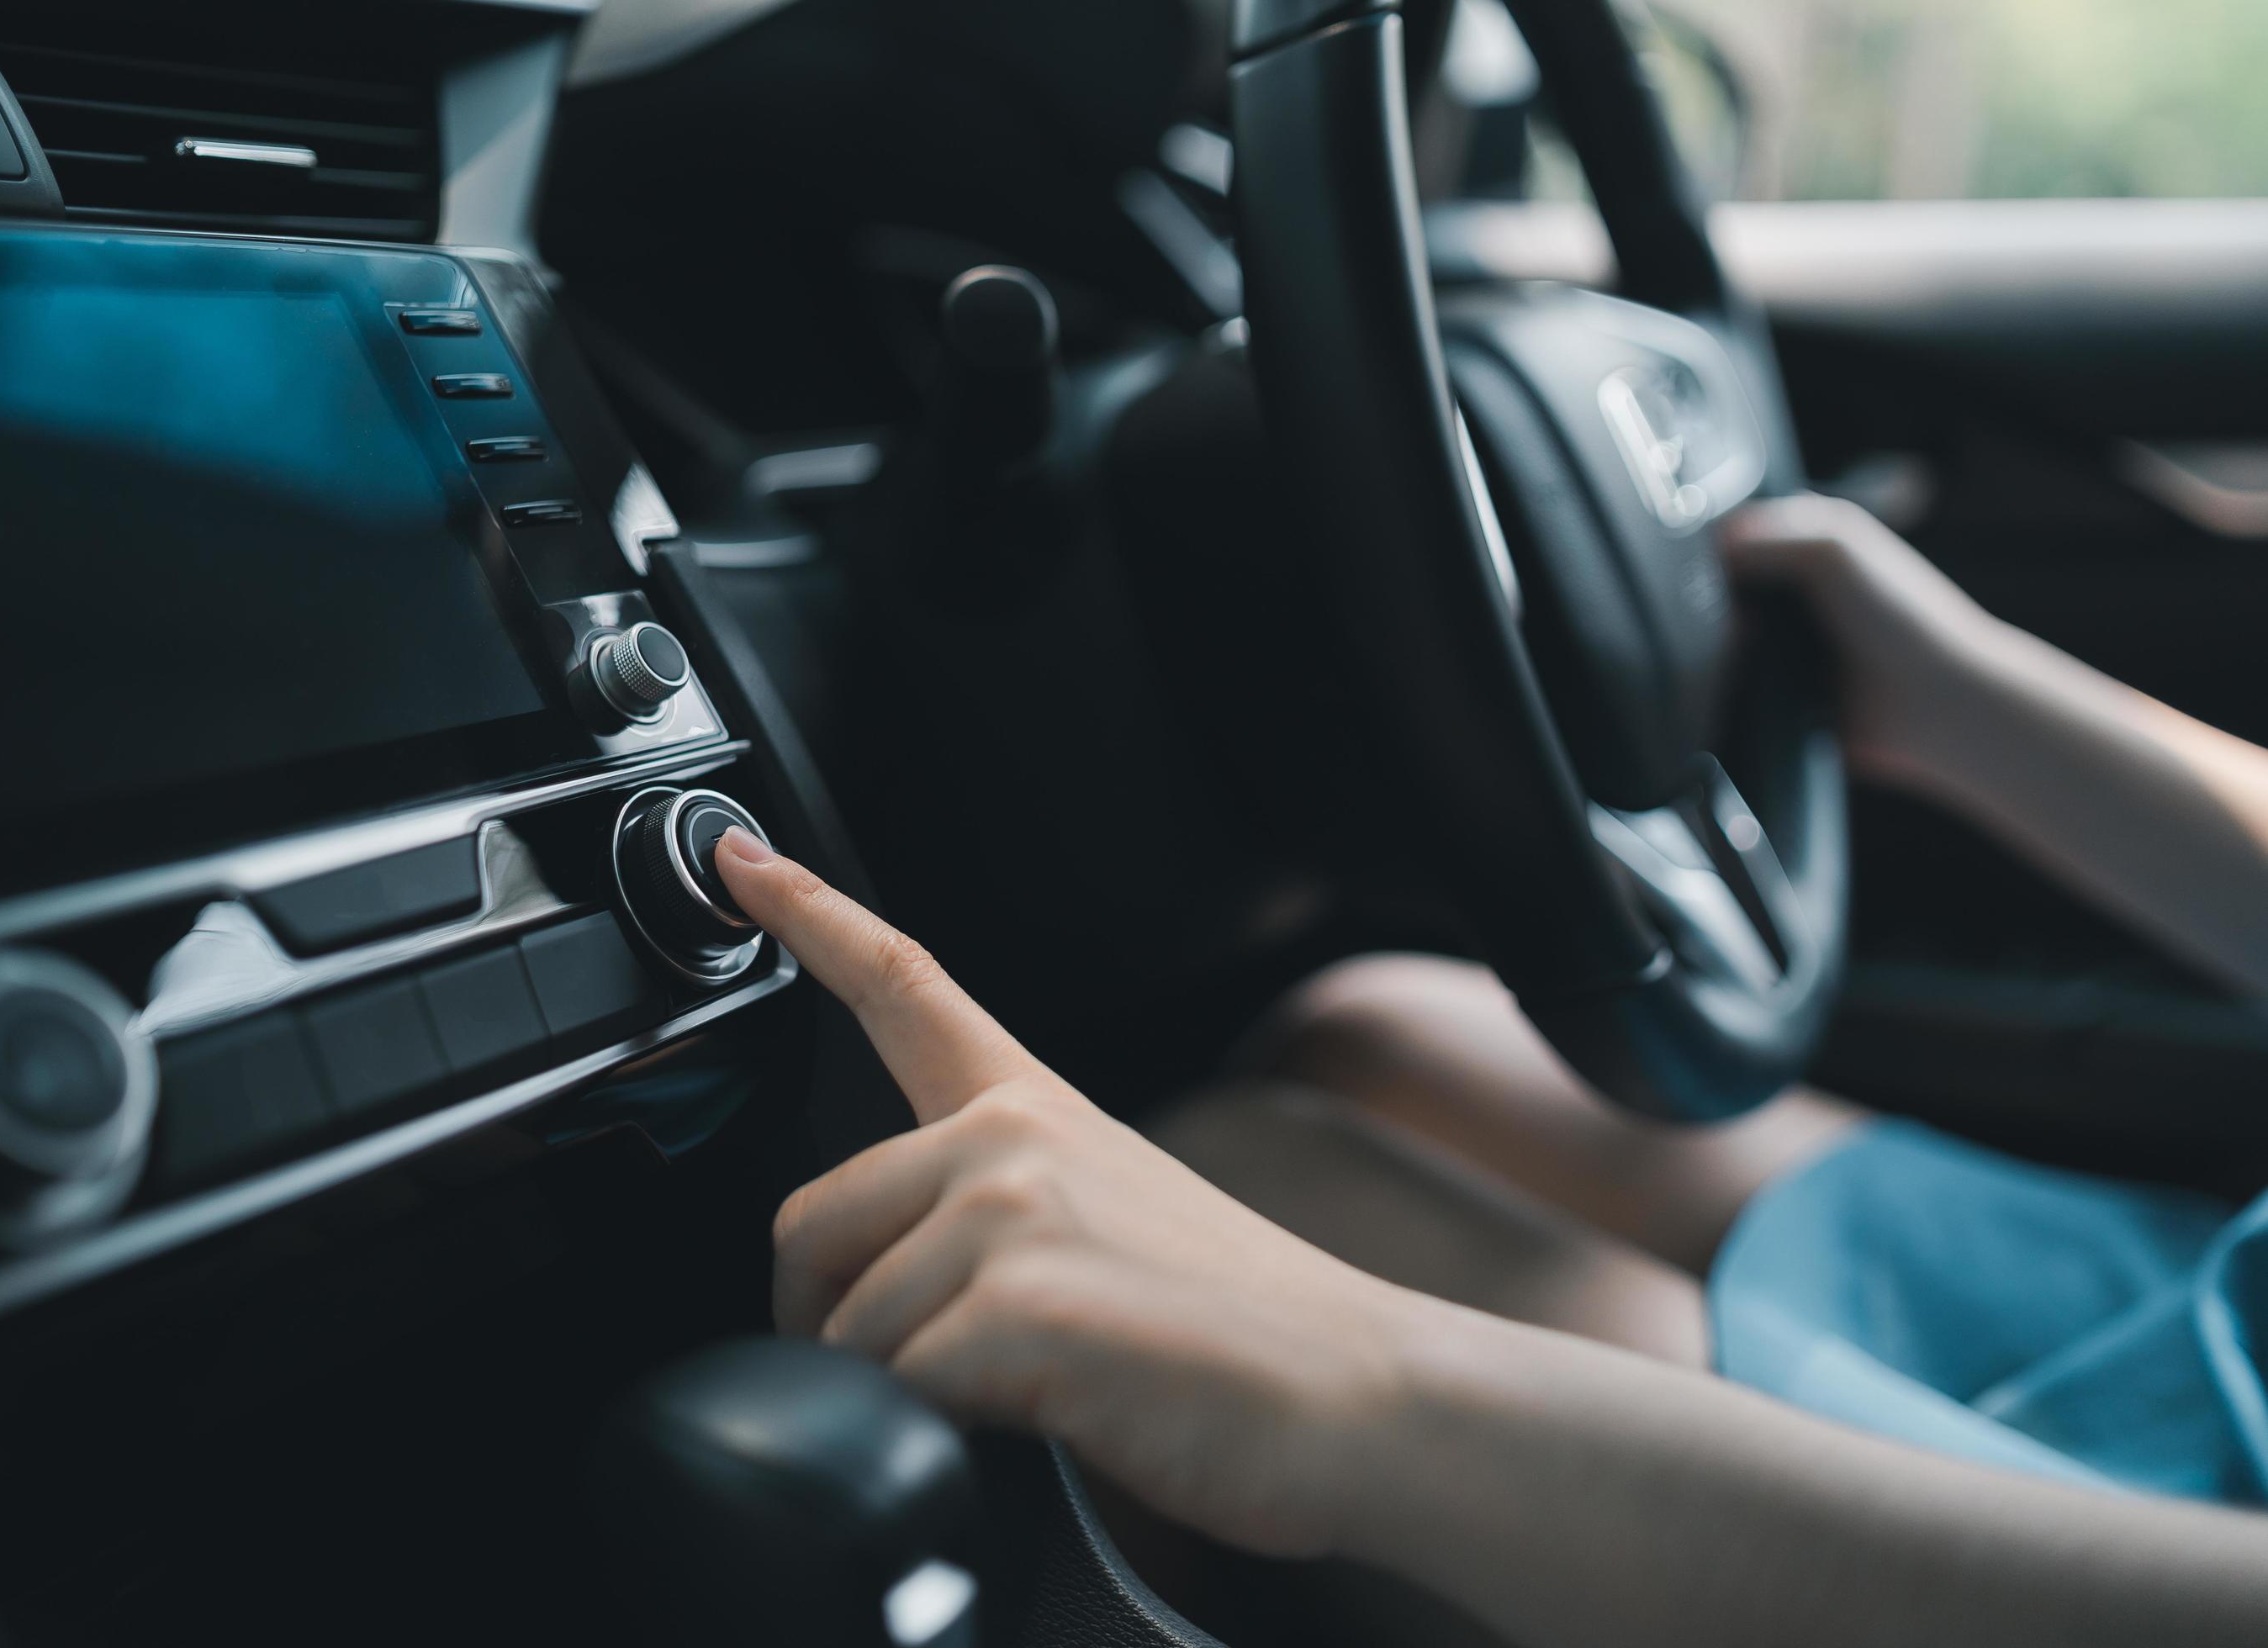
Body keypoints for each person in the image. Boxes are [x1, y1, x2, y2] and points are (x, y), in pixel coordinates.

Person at [708, 494, 2268, 1647]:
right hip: (2219, 1340)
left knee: (1256, 1194)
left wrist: (1374, 1395)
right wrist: (1954, 694)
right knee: (1372, 1033)